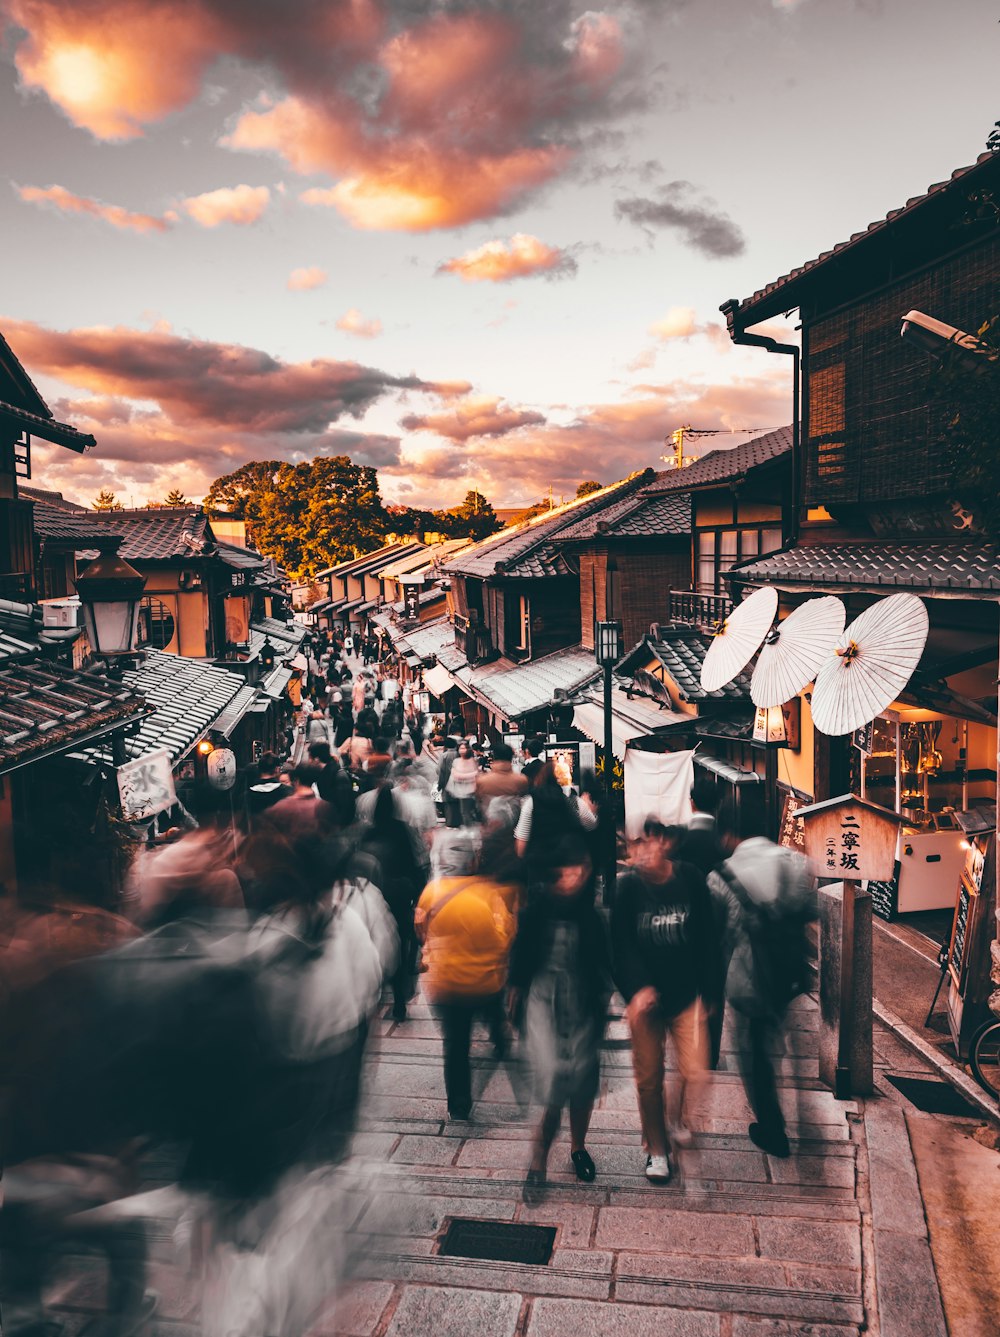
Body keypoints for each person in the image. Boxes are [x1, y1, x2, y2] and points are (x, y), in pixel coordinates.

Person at [611, 820, 722, 1184]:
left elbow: (708, 937)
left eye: (645, 844)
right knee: (648, 1079)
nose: (638, 853)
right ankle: (656, 1149)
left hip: (686, 994)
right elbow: (619, 946)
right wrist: (637, 989)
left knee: (694, 1069)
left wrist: (710, 993)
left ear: (662, 842)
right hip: (646, 1004)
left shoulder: (689, 878)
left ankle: (676, 1119)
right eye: (632, 848)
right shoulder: (626, 888)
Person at [708, 803, 817, 1159]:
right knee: (775, 1033)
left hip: (747, 980)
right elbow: (808, 912)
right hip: (788, 973)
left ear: (728, 835)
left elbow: (718, 939)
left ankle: (772, 1129)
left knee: (755, 1056)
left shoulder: (721, 876)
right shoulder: (794, 862)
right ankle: (803, 1109)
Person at [508, 840, 611, 1200]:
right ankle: (539, 1156)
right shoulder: (536, 909)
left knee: (582, 1083)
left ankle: (578, 1148)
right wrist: (515, 994)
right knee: (554, 1080)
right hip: (544, 1003)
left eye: (581, 869)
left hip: (582, 1007)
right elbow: (520, 959)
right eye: (569, 869)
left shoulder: (591, 915)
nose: (575, 876)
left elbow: (604, 964)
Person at [415, 833, 515, 1120]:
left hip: (447, 985)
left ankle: (458, 1105)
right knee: (494, 1016)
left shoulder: (432, 891)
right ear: (472, 860)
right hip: (485, 982)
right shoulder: (487, 893)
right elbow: (504, 936)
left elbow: (420, 927)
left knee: (455, 1046)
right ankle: (500, 1041)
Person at [360, 786, 425, 1021]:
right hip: (399, 895)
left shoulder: (365, 832)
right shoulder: (403, 829)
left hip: (374, 894)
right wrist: (420, 896)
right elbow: (416, 864)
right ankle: (399, 1000)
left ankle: (374, 993)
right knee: (399, 943)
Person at [476, 742, 528, 807]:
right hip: (516, 815)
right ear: (511, 757)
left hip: (490, 815)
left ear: (494, 757)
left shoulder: (482, 780)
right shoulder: (522, 780)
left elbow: (478, 800)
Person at [245, 753, 293, 822]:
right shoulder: (288, 792)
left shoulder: (247, 795)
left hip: (256, 831)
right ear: (277, 769)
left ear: (259, 769)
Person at [445, 739, 480, 826]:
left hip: (472, 790)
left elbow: (476, 775)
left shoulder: (473, 761)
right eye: (461, 748)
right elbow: (456, 775)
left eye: (464, 748)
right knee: (464, 811)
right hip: (461, 790)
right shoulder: (456, 761)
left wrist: (463, 776)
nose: (462, 751)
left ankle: (471, 827)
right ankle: (468, 827)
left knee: (469, 811)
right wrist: (471, 775)